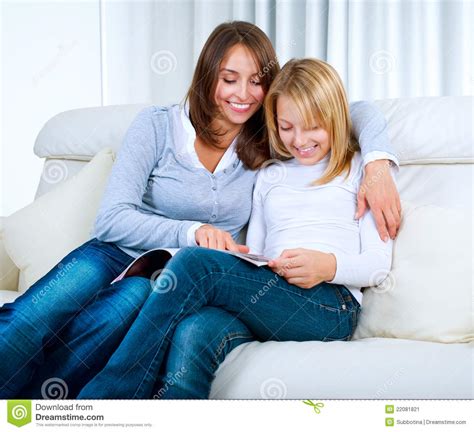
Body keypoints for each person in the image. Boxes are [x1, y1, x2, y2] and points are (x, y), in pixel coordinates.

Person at [0, 21, 399, 399]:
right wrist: (192, 233)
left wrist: (377, 160)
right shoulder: (163, 128)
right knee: (29, 321)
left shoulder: (267, 142)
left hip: (180, 276)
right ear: (208, 75)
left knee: (115, 316)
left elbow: (347, 110)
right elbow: (111, 219)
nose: (243, 94)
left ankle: (77, 405)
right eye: (229, 79)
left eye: (257, 82)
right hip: (118, 250)